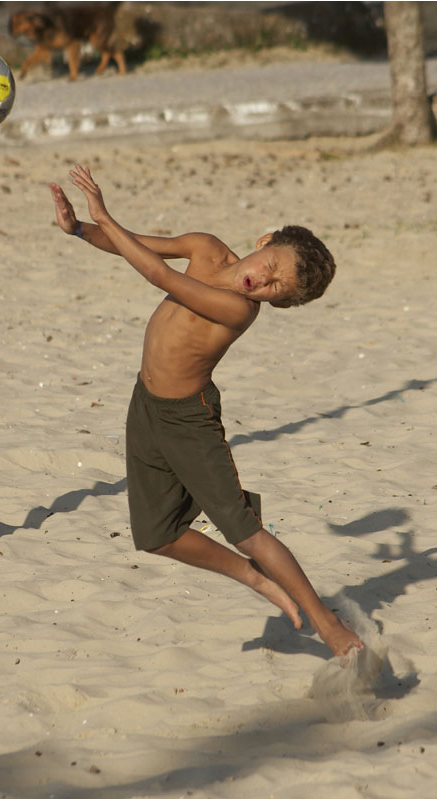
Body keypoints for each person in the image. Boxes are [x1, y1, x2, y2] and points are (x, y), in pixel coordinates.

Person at [50, 166, 363, 658]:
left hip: (188, 419)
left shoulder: (239, 309)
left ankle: (327, 625)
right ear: (265, 239)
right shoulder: (205, 246)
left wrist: (104, 215)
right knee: (156, 536)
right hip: (145, 405)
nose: (262, 280)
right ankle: (252, 577)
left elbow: (158, 275)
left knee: (245, 531)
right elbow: (141, 247)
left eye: (275, 288)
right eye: (271, 263)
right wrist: (81, 231)